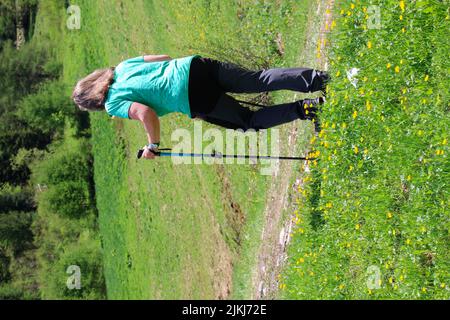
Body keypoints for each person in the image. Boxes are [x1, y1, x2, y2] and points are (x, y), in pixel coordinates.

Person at [72, 54, 329, 159]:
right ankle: (319, 78)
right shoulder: (122, 67)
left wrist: (152, 146)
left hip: (193, 96)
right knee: (258, 79)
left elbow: (145, 113)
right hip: (193, 66)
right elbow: (163, 58)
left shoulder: (112, 104)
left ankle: (309, 108)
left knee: (248, 121)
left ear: (93, 102)